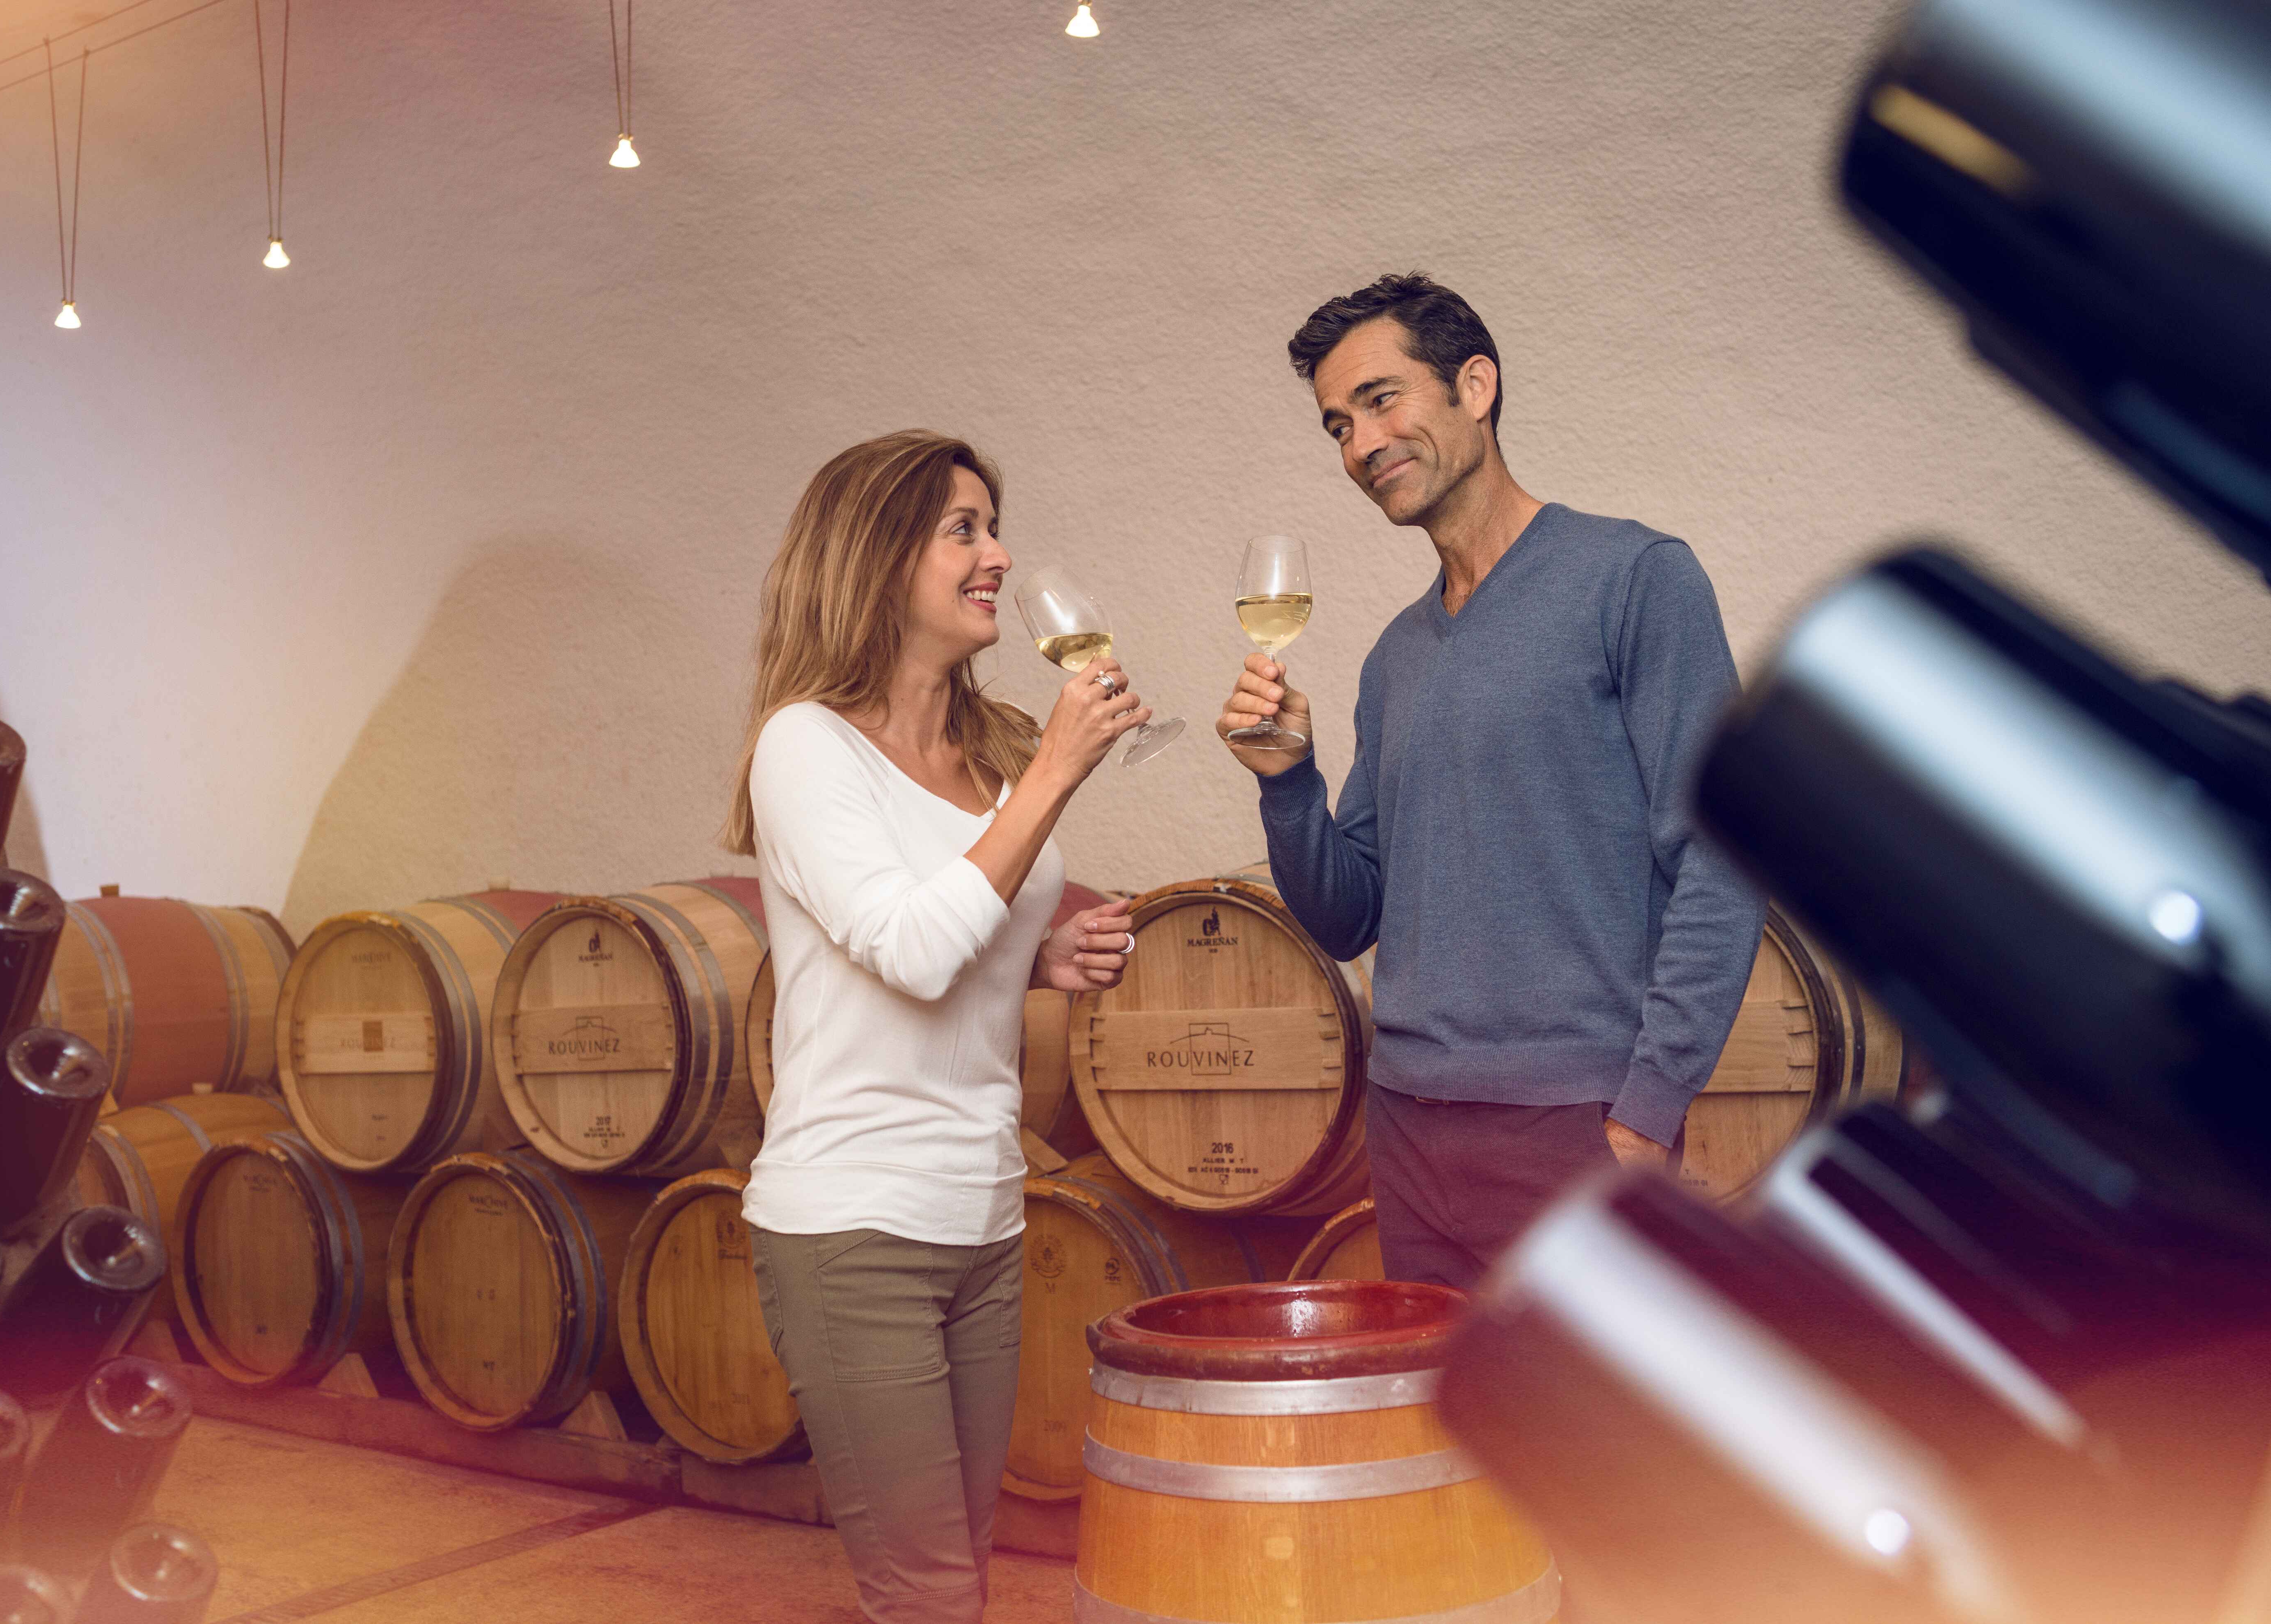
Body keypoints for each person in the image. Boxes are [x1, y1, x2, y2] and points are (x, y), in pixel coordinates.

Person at [1217, 272, 1766, 1290]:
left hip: (1577, 1132)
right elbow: (1348, 919)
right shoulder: (1395, 658)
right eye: (1337, 425)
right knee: (1441, 1444)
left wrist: (1647, 1112)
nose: (1360, 445)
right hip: (1410, 1130)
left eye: (1382, 400)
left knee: (1590, 1446)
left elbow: (1725, 855)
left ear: (1476, 385)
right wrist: (1287, 783)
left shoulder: (1636, 579)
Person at [722, 429, 1143, 1624]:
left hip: (981, 1213)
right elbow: (908, 950)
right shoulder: (805, 744)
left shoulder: (982, 751)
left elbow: (955, 930)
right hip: (854, 1219)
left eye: (991, 525)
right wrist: (1058, 772)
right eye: (963, 528)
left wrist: (1043, 953)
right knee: (927, 1589)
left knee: (963, 1561)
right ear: (876, 557)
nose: (997, 554)